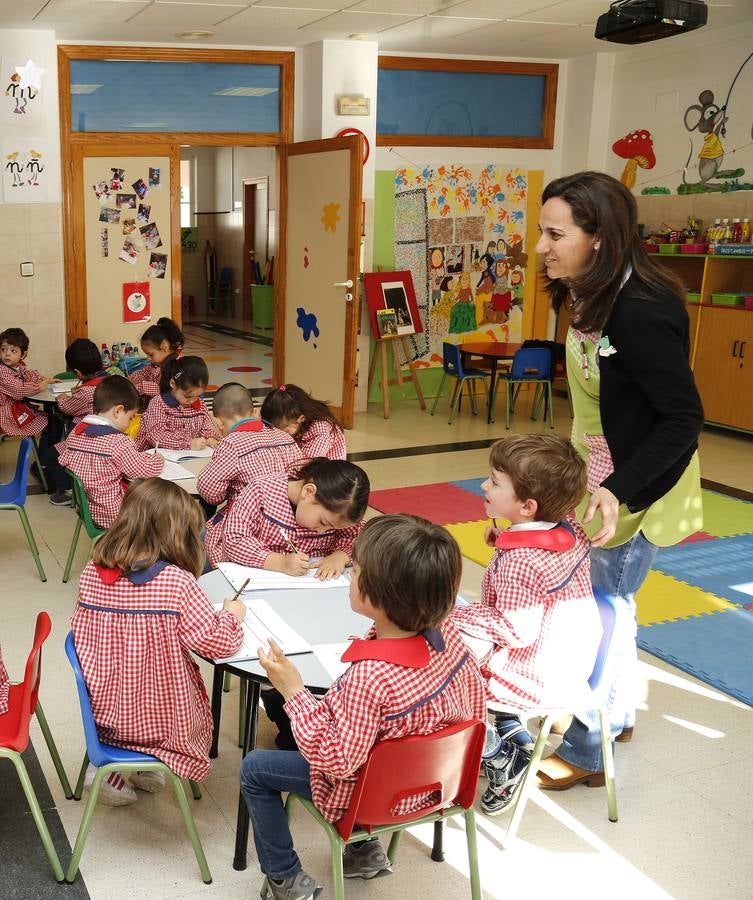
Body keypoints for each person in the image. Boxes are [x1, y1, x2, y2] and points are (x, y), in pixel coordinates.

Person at [533, 171, 704, 790]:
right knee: (607, 603)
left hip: (640, 481)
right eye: (543, 232)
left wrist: (619, 488)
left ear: (599, 238)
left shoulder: (642, 310)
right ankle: (617, 713)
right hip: (600, 473)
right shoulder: (583, 291)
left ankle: (586, 747)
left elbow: (683, 418)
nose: (542, 247)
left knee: (600, 611)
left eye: (556, 234)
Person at [240, 514, 486, 900]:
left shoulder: (369, 679)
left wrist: (294, 692)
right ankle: (365, 852)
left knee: (255, 768)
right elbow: (475, 710)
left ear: (377, 596)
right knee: (368, 739)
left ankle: (285, 877)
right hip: (437, 786)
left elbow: (337, 760)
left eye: (357, 570)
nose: (351, 572)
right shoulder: (450, 636)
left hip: (366, 797)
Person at [71, 478, 245, 806]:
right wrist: (232, 614)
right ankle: (138, 761)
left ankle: (121, 764)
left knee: (136, 681)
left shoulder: (92, 572)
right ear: (176, 533)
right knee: (175, 698)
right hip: (160, 720)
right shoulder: (176, 583)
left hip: (104, 711)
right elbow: (218, 644)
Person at [451, 434, 601, 815]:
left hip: (533, 670)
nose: (484, 485)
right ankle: (514, 740)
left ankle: (503, 755)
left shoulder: (521, 562)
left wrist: (457, 614)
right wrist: (506, 535)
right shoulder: (566, 526)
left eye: (494, 482)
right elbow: (541, 559)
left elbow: (517, 629)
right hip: (570, 659)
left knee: (448, 679)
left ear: (528, 505)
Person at [198, 382, 301, 547]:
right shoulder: (285, 437)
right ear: (255, 412)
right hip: (288, 524)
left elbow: (210, 492)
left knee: (197, 539)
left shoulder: (231, 443)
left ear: (219, 422)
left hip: (250, 526)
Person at [59, 377, 165, 529]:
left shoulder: (76, 432)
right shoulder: (118, 442)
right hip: (114, 515)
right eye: (130, 417)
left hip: (86, 510)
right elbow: (143, 471)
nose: (130, 423)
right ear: (118, 411)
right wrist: (157, 459)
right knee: (161, 509)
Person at [43, 339, 109, 505]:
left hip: (86, 440)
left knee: (50, 456)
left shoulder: (86, 393)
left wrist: (63, 398)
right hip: (107, 439)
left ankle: (69, 491)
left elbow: (67, 408)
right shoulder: (111, 380)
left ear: (78, 373)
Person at [135, 355, 218, 451]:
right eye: (187, 396)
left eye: (198, 396)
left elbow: (207, 426)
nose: (192, 401)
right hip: (153, 457)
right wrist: (188, 443)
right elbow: (156, 435)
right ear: (173, 384)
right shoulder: (159, 404)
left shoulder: (200, 404)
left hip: (186, 457)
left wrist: (210, 438)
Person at [261, 384, 346, 460]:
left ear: (301, 418)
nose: (279, 435)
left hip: (325, 472)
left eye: (285, 431)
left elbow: (308, 463)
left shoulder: (320, 428)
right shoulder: (294, 425)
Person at [0, 326, 54, 439]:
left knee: (52, 419)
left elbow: (31, 375)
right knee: (50, 421)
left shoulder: (19, 367)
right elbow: (18, 389)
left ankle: (45, 453)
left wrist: (45, 379)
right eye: (3, 349)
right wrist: (39, 387)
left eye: (13, 350)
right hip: (7, 414)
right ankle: (44, 454)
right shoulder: (2, 371)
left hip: (18, 409)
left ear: (23, 355)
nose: (7, 354)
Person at [128, 316, 184, 402]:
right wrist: (129, 380)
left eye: (151, 354)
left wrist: (142, 387)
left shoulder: (178, 365)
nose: (148, 358)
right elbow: (143, 373)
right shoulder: (157, 363)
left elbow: (168, 390)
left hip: (170, 408)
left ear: (164, 348)